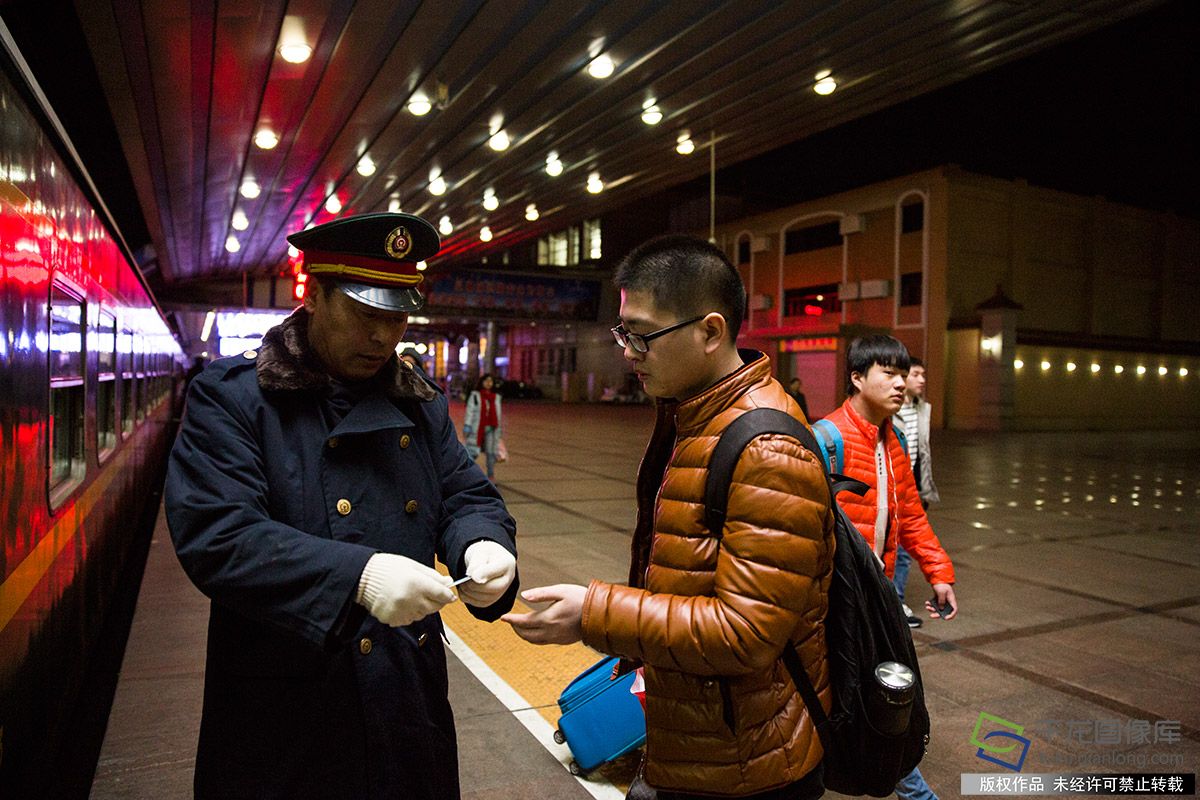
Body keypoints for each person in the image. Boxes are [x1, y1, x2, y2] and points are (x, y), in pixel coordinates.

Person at [164, 212, 519, 800]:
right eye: (365, 313)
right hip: (287, 710)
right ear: (315, 293)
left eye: (397, 315)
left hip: (404, 698)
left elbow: (465, 491)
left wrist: (483, 543)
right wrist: (358, 576)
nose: (384, 336)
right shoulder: (234, 399)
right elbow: (219, 535)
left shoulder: (416, 399)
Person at [504, 235, 835, 800]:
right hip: (698, 738)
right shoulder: (694, 417)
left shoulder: (766, 450)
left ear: (710, 331)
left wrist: (595, 614)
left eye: (641, 336)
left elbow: (748, 633)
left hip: (750, 765)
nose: (628, 352)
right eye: (622, 333)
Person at [819, 334, 957, 800]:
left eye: (904, 374)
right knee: (876, 693)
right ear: (857, 378)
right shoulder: (827, 437)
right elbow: (806, 518)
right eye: (888, 373)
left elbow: (912, 515)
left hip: (876, 593)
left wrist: (938, 573)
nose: (900, 383)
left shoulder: (892, 437)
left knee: (871, 691)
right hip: (836, 595)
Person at [891, 357, 941, 629]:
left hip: (913, 490)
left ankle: (895, 600)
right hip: (892, 487)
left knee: (905, 550)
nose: (922, 379)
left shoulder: (924, 410)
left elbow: (923, 453)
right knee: (891, 549)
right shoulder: (889, 410)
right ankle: (890, 603)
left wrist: (925, 489)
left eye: (924, 374)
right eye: (917, 374)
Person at [463, 373, 503, 479]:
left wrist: (499, 431)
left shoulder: (496, 397)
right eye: (486, 381)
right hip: (477, 428)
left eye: (491, 381)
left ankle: (491, 476)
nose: (489, 383)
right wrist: (467, 425)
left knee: (491, 454)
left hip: (492, 429)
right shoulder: (476, 395)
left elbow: (498, 415)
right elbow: (470, 411)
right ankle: (466, 476)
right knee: (472, 453)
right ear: (482, 382)